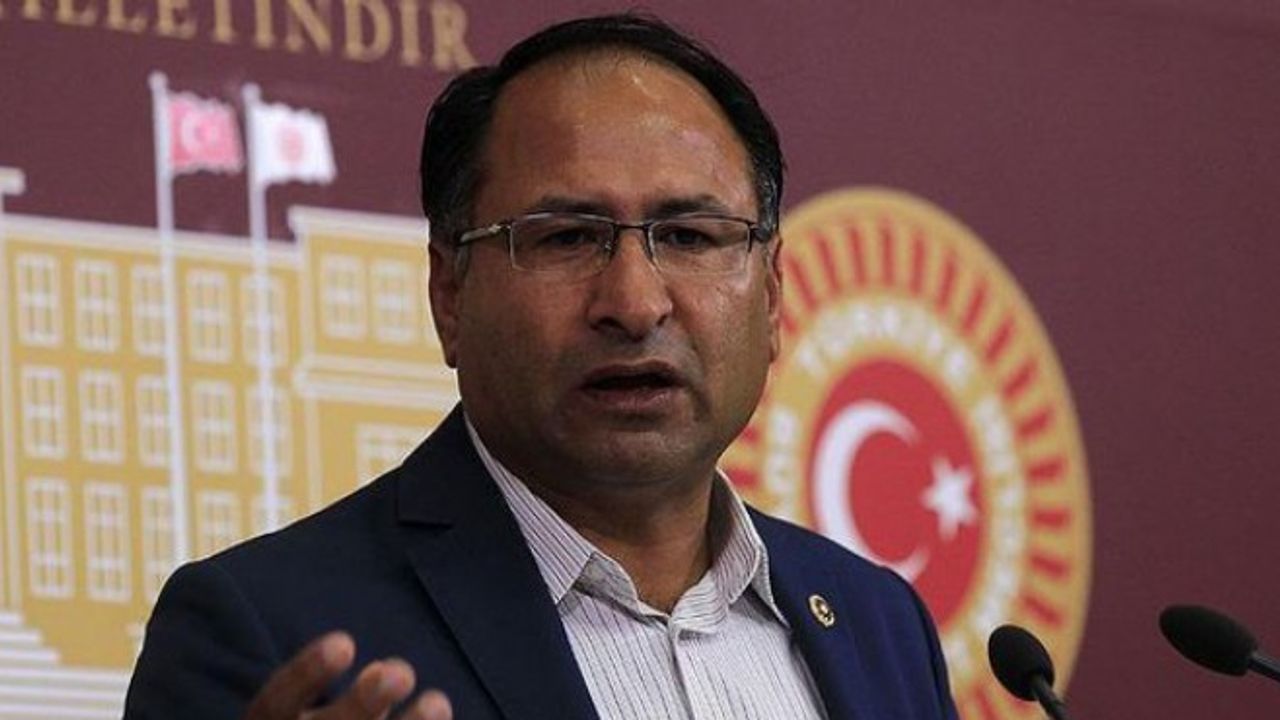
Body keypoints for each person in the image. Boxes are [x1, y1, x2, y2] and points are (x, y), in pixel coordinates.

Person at [124, 13, 959, 720]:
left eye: (689, 236)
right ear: (449, 294)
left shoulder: (879, 626)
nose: (635, 302)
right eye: (565, 238)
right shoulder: (265, 631)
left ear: (771, 297)